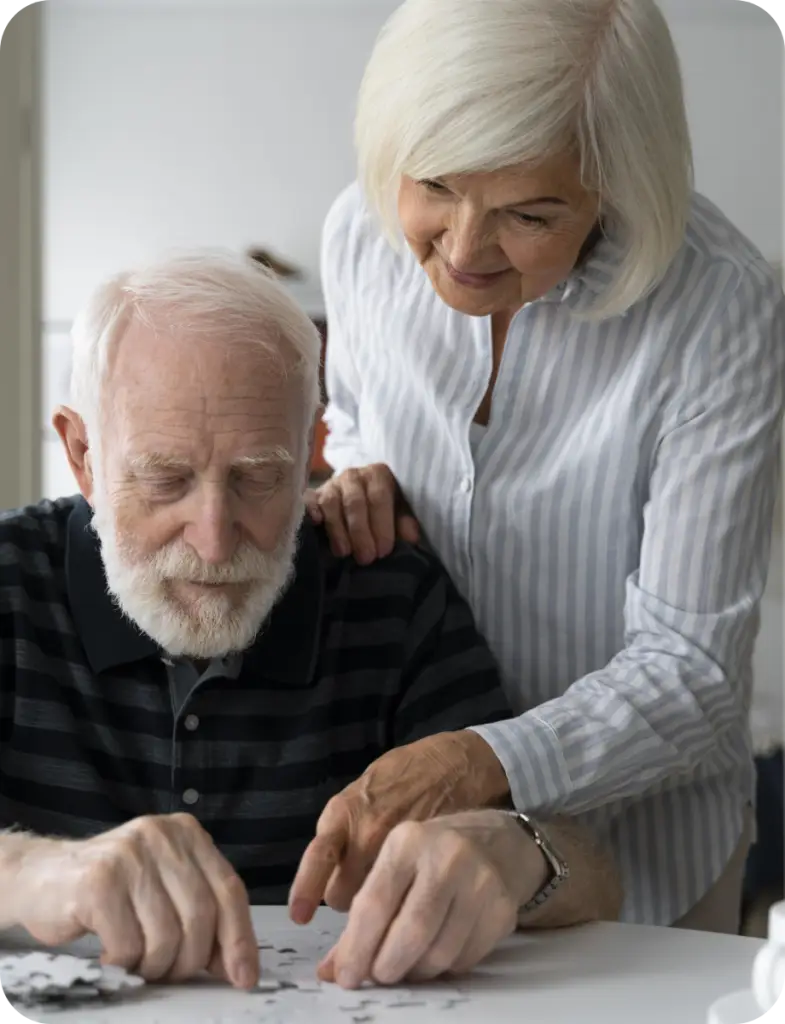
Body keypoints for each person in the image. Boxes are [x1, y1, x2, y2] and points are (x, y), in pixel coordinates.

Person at [0, 252, 621, 991]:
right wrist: (40, 873)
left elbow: (591, 873)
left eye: (259, 476)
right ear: (82, 454)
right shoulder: (9, 580)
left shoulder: (386, 594)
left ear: (311, 453)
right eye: (164, 478)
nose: (214, 538)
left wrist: (515, 854)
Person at [305, 0, 785, 935]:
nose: (463, 248)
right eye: (434, 184)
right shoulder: (357, 238)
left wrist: (482, 759)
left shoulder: (720, 309)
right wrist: (357, 476)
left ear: (616, 187)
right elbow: (357, 417)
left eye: (530, 212)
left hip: (651, 853)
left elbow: (694, 670)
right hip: (424, 846)